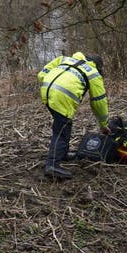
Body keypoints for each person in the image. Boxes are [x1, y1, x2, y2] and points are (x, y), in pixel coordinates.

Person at [38, 52, 109, 180]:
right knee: (61, 130)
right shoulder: (93, 73)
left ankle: (62, 153)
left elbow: (41, 74)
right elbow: (99, 101)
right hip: (62, 96)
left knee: (63, 123)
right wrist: (103, 124)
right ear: (97, 66)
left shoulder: (64, 59)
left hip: (47, 90)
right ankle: (52, 165)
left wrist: (51, 85)